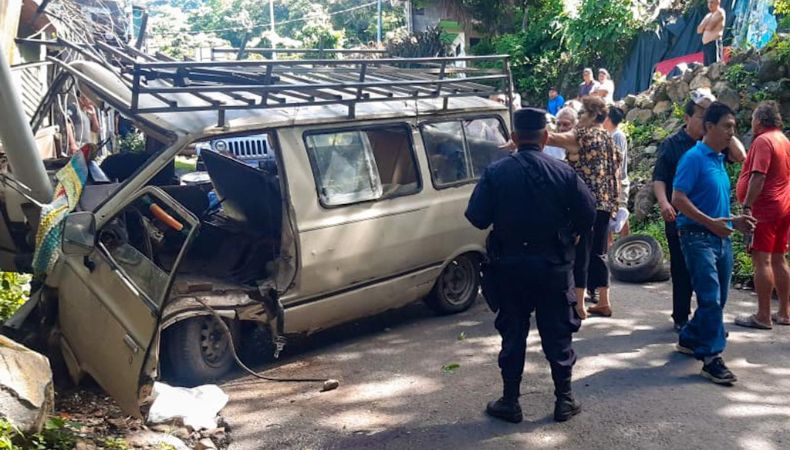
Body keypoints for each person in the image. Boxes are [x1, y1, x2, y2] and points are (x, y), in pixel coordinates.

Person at [466, 107, 595, 424]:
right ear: (545, 137)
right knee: (558, 334)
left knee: (513, 334)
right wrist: (571, 233)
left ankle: (510, 402)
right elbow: (589, 213)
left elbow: (476, 216)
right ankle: (564, 400)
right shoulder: (564, 172)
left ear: (513, 138)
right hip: (553, 267)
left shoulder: (496, 173)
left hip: (509, 268)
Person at [672, 102, 755, 385]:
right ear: (709, 127)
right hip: (697, 238)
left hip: (721, 237)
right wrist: (712, 223)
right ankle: (711, 359)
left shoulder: (719, 160)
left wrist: (734, 220)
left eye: (734, 127)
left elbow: (713, 208)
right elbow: (678, 199)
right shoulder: (693, 158)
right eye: (727, 126)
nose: (732, 133)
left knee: (718, 301)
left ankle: (689, 337)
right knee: (709, 298)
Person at [652, 89, 746, 332]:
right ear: (687, 118)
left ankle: (701, 327)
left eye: (708, 117)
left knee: (713, 288)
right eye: (700, 116)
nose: (704, 121)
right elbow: (661, 179)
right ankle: (684, 320)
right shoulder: (676, 146)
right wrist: (664, 203)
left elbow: (740, 155)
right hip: (685, 222)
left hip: (714, 226)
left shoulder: (716, 147)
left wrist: (718, 112)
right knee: (683, 272)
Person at [547, 96, 620, 319]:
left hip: (584, 203)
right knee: (599, 252)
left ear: (591, 115)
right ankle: (604, 301)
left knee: (581, 252)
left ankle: (579, 304)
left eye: (581, 114)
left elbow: (553, 138)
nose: (579, 118)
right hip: (606, 202)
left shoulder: (582, 135)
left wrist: (524, 138)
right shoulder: (609, 138)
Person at [734, 101, 790, 329]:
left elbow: (758, 176)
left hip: (765, 209)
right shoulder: (784, 140)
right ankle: (784, 313)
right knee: (779, 259)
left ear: (759, 120)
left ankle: (763, 315)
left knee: (762, 261)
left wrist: (747, 206)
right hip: (783, 207)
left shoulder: (763, 141)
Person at [604, 106, 629, 237]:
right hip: (609, 182)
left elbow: (618, 161)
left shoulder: (618, 135)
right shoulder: (608, 135)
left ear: (608, 118)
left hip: (619, 181)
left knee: (621, 214)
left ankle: (626, 244)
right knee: (609, 216)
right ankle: (610, 248)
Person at [697, 0, 726, 66]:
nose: (710, 4)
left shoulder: (720, 12)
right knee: (707, 69)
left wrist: (704, 24)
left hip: (714, 43)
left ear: (718, 2)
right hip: (706, 46)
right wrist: (706, 22)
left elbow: (710, 27)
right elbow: (699, 30)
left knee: (715, 67)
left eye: (712, 2)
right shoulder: (708, 15)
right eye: (708, 2)